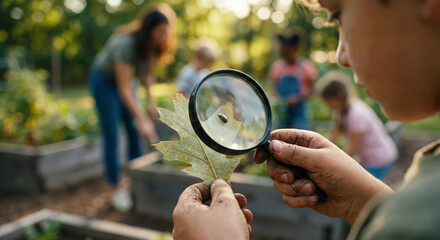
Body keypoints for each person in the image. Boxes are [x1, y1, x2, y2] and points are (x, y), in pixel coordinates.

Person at [172, 0, 440, 239]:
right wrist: (362, 201)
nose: (340, 56)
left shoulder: (413, 224)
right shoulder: (423, 201)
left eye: (338, 16)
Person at [89, 3, 176, 211]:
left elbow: (147, 76)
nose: (165, 36)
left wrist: (149, 103)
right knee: (112, 131)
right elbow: (124, 88)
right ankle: (116, 187)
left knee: (134, 132)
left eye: (167, 32)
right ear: (149, 29)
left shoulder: (153, 46)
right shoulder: (126, 44)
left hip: (127, 84)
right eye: (161, 32)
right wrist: (142, 120)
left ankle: (135, 179)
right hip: (105, 81)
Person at [316, 71, 398, 180]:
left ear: (338, 97)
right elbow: (334, 134)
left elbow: (352, 148)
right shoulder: (340, 111)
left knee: (368, 191)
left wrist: (331, 161)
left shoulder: (356, 114)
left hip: (378, 158)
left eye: (329, 101)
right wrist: (319, 150)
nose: (328, 105)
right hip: (366, 158)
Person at [270, 28, 317, 129]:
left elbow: (311, 90)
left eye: (288, 51)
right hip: (283, 114)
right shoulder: (277, 67)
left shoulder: (306, 67)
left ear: (296, 49)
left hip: (300, 114)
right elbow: (275, 89)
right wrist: (278, 100)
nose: (285, 55)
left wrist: (298, 99)